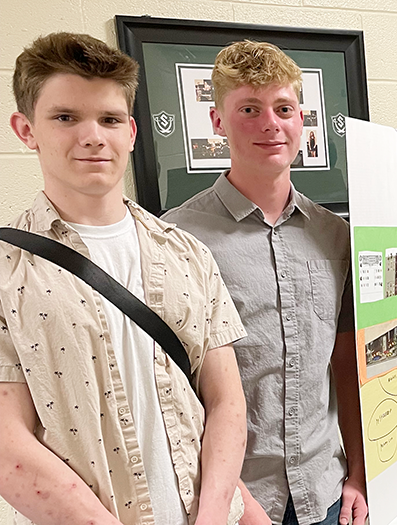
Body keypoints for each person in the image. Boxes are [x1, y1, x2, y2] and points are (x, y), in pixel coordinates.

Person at [0, 33, 248, 524]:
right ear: (26, 129)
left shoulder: (187, 254)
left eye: (109, 119)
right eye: (65, 117)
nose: (93, 136)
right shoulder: (8, 272)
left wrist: (215, 515)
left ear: (131, 132)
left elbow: (227, 402)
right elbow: (8, 443)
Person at [164, 40, 367, 525]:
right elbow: (173, 392)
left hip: (327, 492)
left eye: (283, 108)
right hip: (232, 499)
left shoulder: (334, 235)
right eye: (249, 109)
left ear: (302, 118)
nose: (270, 124)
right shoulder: (177, 239)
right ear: (217, 122)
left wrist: (359, 470)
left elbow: (346, 361)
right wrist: (231, 499)